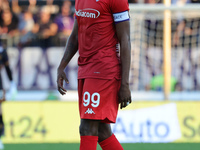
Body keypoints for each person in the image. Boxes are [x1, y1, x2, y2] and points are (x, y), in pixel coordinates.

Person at [57, 0, 132, 149]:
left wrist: (125, 84)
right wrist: (61, 66)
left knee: (87, 128)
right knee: (102, 131)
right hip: (85, 68)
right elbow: (75, 35)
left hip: (103, 70)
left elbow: (125, 40)